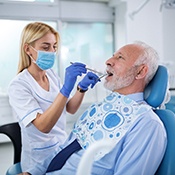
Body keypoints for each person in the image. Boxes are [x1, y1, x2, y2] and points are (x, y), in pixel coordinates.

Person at [45, 41, 167, 175]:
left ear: (140, 71)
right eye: (113, 56)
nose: (108, 61)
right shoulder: (101, 107)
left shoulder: (147, 124)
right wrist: (32, 172)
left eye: (120, 57)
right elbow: (64, 148)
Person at [7, 22, 100, 175]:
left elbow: (70, 108)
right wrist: (65, 89)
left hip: (61, 146)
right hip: (38, 158)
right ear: (28, 49)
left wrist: (81, 88)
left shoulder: (51, 75)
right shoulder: (19, 86)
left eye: (54, 46)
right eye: (45, 47)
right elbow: (44, 126)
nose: (52, 52)